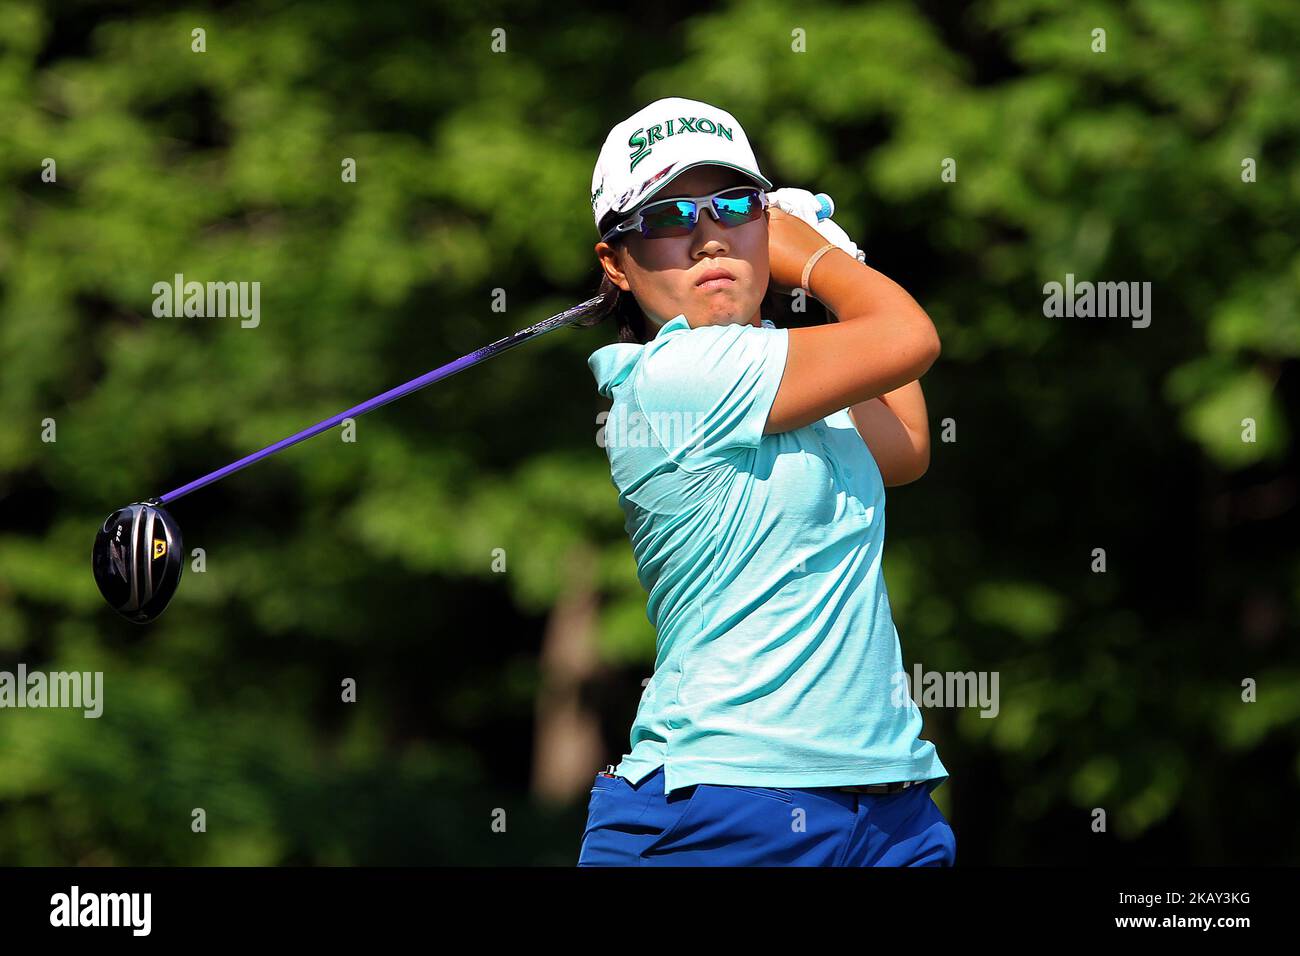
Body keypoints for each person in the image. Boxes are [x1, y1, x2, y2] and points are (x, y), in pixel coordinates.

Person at [576, 96, 955, 866]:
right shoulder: (680, 376)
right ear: (615, 263)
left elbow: (907, 444)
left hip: (888, 804)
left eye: (735, 205)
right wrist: (821, 259)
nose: (709, 235)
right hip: (721, 805)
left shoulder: (783, 368)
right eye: (668, 214)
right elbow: (909, 338)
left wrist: (834, 256)